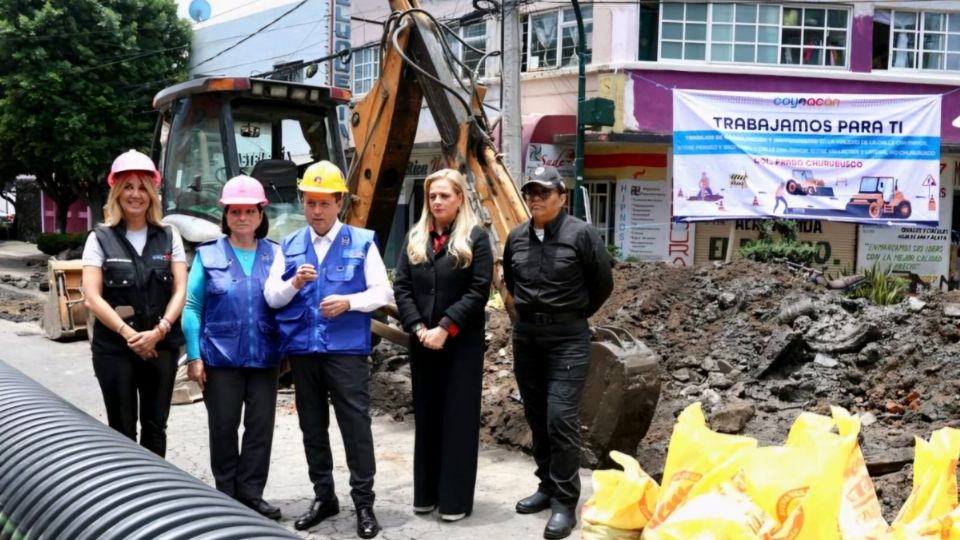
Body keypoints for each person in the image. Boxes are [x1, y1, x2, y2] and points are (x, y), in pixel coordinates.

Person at [264, 160, 391, 539]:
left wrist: (349, 303)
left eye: (324, 203)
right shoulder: (289, 245)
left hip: (346, 351)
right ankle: (324, 497)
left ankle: (364, 503)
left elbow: (383, 292)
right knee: (312, 427)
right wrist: (294, 286)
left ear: (339, 203)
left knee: (355, 427)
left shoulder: (361, 242)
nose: (316, 211)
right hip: (305, 351)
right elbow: (272, 297)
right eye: (309, 203)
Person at [503, 165, 613, 540]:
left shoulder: (581, 235)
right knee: (537, 418)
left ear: (562, 197)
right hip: (527, 337)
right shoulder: (516, 237)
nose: (536, 198)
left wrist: (571, 315)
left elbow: (602, 284)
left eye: (544, 192)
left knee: (560, 419)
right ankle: (547, 486)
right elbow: (513, 284)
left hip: (568, 338)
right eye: (531, 192)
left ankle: (566, 501)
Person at [392, 169, 493, 522]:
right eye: (432, 196)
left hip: (460, 346)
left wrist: (445, 327)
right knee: (428, 417)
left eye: (444, 196)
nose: (437, 202)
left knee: (458, 420)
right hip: (422, 344)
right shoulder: (415, 237)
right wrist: (419, 327)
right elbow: (402, 285)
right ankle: (427, 494)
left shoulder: (476, 238)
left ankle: (454, 500)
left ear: (459, 198)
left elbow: (480, 290)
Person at [182, 175, 282, 519]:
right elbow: (192, 307)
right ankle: (226, 494)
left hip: (265, 357)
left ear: (260, 214)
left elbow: (290, 303)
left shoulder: (277, 255)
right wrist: (194, 356)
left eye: (249, 211)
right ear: (225, 216)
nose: (242, 217)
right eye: (235, 211)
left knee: (260, 428)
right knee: (223, 426)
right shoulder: (208, 255)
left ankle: (252, 495)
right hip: (219, 358)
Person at [82, 149, 187, 457]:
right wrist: (130, 337)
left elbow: (180, 289)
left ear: (152, 193)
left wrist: (160, 330)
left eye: (143, 187)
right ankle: (126, 501)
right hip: (115, 349)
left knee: (156, 426)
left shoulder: (170, 236)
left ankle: (157, 497)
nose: (135, 195)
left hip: (162, 346)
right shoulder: (100, 238)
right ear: (116, 191)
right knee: (122, 428)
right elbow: (91, 296)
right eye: (128, 186)